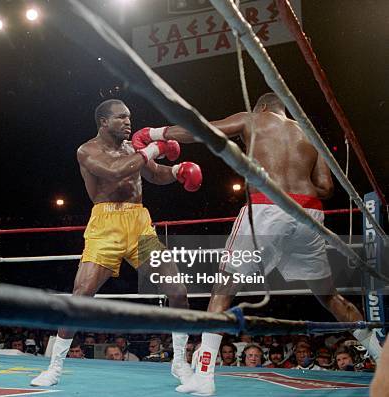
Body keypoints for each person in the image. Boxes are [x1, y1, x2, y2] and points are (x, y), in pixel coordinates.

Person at [134, 92, 382, 394]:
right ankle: (382, 359)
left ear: (262, 107)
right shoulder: (308, 132)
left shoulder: (253, 118)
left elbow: (202, 129)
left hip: (268, 207)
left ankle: (204, 376)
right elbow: (327, 188)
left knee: (223, 290)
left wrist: (156, 133)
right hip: (310, 213)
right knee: (330, 297)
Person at [31, 99, 202, 387]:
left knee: (177, 290)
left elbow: (152, 173)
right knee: (81, 295)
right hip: (105, 226)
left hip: (139, 225)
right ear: (103, 122)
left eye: (129, 117)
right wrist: (153, 148)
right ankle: (55, 367)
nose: (128, 122)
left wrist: (175, 172)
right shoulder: (87, 151)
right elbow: (115, 172)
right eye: (121, 117)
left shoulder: (132, 149)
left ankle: (179, 364)